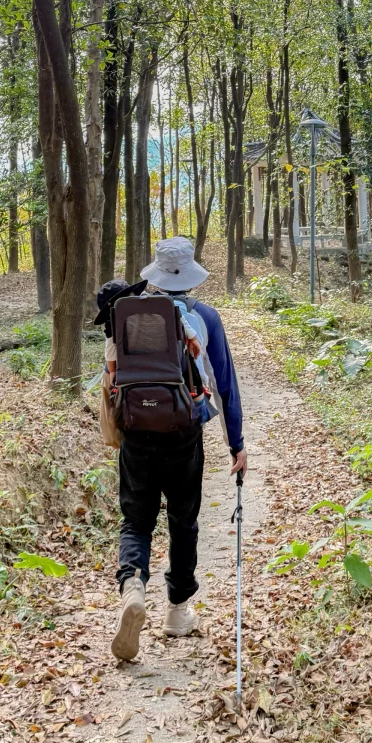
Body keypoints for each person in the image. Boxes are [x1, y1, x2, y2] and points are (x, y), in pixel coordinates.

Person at [106, 236, 247, 662]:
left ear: (155, 274)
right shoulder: (205, 316)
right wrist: (236, 444)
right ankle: (177, 610)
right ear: (189, 276)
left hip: (135, 432)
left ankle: (132, 583)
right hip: (183, 432)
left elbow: (111, 374)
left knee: (136, 520)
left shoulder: (126, 313)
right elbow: (224, 383)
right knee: (183, 520)